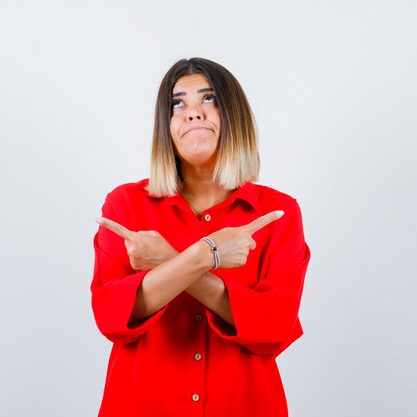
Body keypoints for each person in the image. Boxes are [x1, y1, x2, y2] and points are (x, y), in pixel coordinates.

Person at [90, 57, 311, 417]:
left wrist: (168, 262)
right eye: (178, 104)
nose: (192, 113)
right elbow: (111, 317)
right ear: (166, 126)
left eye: (208, 99)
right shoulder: (125, 205)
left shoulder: (277, 213)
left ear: (234, 117)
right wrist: (205, 255)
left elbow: (273, 327)